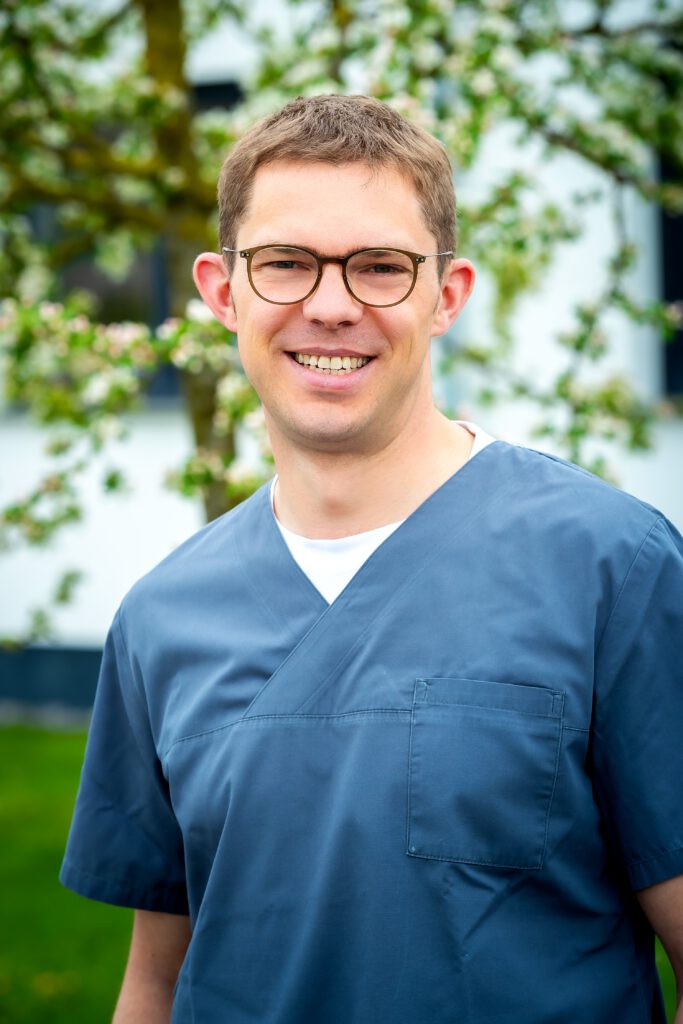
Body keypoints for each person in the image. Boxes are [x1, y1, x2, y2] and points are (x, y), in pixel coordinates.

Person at [61, 94, 683, 1023]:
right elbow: (155, 982)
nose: (330, 306)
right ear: (222, 291)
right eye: (285, 263)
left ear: (447, 296)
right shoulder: (161, 617)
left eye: (380, 267)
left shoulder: (612, 568)